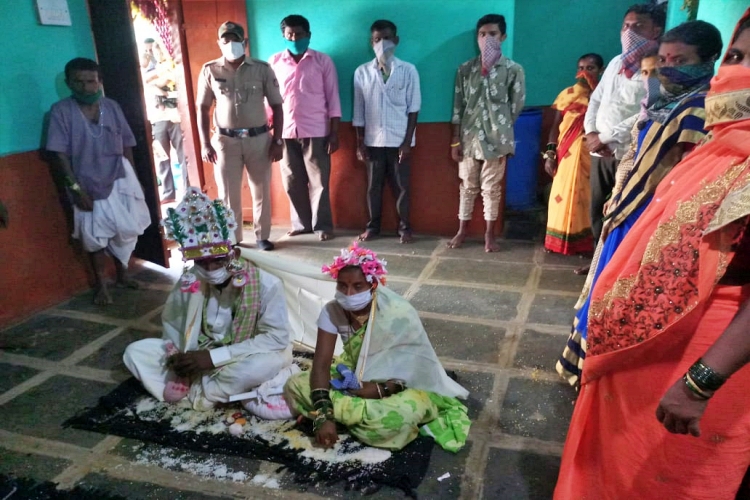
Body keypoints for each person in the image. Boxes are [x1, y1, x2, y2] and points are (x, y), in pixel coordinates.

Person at [554, 11, 750, 497]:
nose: (737, 72)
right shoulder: (719, 141)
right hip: (642, 298)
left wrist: (701, 382)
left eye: (678, 61)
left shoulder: (700, 117)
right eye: (739, 56)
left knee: (670, 471)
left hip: (703, 351)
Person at [557, 21, 722, 386]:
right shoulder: (664, 99)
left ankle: (607, 372)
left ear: (709, 60)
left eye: (680, 59)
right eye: (663, 58)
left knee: (624, 294)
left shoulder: (700, 110)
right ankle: (588, 364)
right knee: (605, 286)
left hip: (653, 217)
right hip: (627, 208)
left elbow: (690, 178)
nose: (668, 67)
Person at [284, 242, 471, 451]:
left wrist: (381, 389)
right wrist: (324, 415)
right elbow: (320, 365)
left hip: (397, 383)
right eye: (342, 286)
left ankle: (351, 416)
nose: (349, 293)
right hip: (353, 373)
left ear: (372, 285)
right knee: (295, 384)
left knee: (399, 417)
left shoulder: (397, 313)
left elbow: (412, 368)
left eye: (357, 286)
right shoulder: (331, 311)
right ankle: (346, 418)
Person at [124, 187, 294, 412]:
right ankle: (209, 389)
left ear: (235, 255)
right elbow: (173, 325)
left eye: (217, 261)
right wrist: (181, 356)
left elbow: (276, 339)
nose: (210, 269)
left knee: (264, 365)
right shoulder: (191, 280)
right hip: (197, 353)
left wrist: (213, 358)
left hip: (243, 355)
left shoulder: (267, 285)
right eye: (202, 263)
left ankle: (200, 392)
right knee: (136, 352)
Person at [46, 57, 151, 306]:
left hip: (119, 178)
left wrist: (134, 178)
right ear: (69, 83)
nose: (85, 87)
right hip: (86, 183)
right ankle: (102, 285)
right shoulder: (61, 112)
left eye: (91, 81)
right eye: (78, 82)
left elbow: (127, 145)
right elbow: (59, 155)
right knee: (94, 235)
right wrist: (75, 188)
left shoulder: (112, 107)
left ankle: (123, 275)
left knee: (124, 230)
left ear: (99, 82)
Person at [579, 3, 665, 275]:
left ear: (656, 30)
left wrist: (606, 137)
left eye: (638, 26)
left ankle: (615, 270)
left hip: (630, 152)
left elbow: (648, 108)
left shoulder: (657, 67)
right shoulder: (617, 62)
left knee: (621, 211)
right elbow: (596, 99)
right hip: (599, 152)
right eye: (626, 26)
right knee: (596, 210)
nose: (630, 31)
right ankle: (596, 264)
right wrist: (592, 133)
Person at [197, 21, 284, 251]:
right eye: (226, 41)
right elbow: (202, 109)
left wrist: (278, 140)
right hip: (225, 142)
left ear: (244, 42)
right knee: (227, 193)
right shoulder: (210, 69)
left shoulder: (262, 68)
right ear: (219, 43)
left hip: (259, 140)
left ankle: (262, 236)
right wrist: (205, 144)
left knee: (261, 189)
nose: (231, 44)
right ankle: (232, 238)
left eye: (236, 40)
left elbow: (277, 106)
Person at [449, 13, 526, 253]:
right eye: (482, 34)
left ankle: (489, 235)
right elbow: (458, 106)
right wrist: (455, 140)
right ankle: (462, 230)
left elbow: (516, 105)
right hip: (469, 139)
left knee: (491, 188)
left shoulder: (513, 70)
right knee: (467, 185)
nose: (487, 39)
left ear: (503, 36)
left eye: (492, 34)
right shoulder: (465, 69)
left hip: (497, 141)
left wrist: (500, 132)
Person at [269, 15, 341, 242]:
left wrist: (334, 132)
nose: (294, 38)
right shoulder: (274, 62)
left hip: (317, 130)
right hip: (285, 131)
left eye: (298, 34)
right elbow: (268, 100)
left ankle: (322, 226)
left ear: (308, 35)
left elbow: (333, 98)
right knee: (292, 180)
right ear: (283, 36)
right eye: (289, 34)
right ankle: (301, 224)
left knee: (319, 181)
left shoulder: (322, 61)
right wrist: (271, 132)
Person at [353, 20, 421, 244]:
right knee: (373, 187)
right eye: (376, 39)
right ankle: (373, 227)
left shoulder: (408, 70)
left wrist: (407, 142)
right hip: (373, 140)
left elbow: (413, 109)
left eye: (386, 38)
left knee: (401, 186)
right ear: (371, 42)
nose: (382, 43)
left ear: (396, 40)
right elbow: (359, 111)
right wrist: (360, 142)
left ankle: (404, 228)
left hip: (399, 139)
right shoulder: (362, 72)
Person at [543, 53, 604, 255]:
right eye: (581, 68)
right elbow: (554, 127)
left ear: (601, 71)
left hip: (591, 154)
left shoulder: (604, 97)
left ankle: (584, 244)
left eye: (591, 68)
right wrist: (550, 154)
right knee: (560, 195)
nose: (584, 72)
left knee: (586, 196)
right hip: (565, 153)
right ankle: (555, 241)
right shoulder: (567, 94)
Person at [143, 41, 188, 203]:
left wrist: (162, 89)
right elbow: (148, 84)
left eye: (159, 50)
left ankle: (188, 191)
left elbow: (177, 88)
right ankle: (168, 193)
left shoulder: (174, 69)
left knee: (184, 156)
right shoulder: (149, 71)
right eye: (153, 51)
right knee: (162, 157)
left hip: (176, 117)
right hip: (157, 119)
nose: (157, 54)